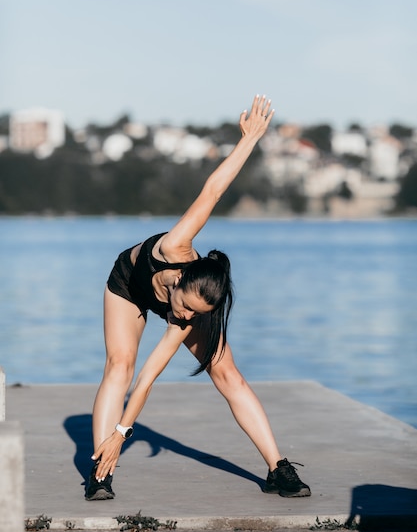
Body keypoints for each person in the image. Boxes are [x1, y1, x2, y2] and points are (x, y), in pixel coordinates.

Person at [86, 95, 311, 501]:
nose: (187, 316)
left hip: (165, 293)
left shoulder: (189, 312)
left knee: (228, 374)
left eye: (196, 314)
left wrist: (125, 430)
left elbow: (151, 377)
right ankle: (100, 472)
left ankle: (279, 469)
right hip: (128, 283)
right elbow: (213, 190)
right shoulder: (176, 245)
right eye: (188, 306)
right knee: (119, 364)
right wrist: (249, 140)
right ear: (184, 280)